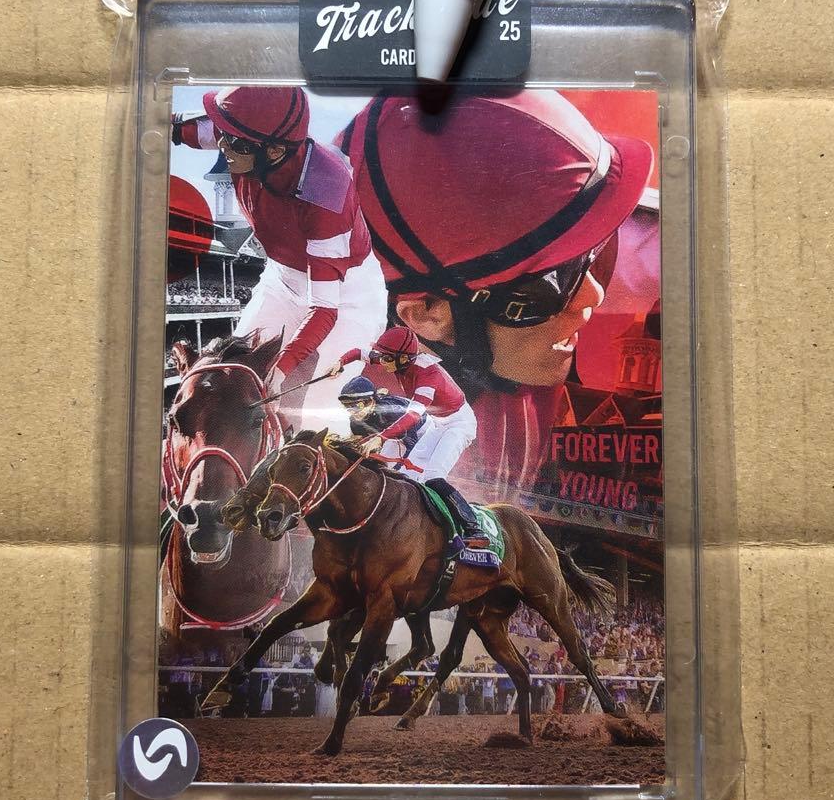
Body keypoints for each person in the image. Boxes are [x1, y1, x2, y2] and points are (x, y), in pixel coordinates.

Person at [338, 90, 652, 495]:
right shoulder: (379, 444)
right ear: (427, 314)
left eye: (595, 251)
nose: (593, 296)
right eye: (554, 280)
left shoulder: (515, 346)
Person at [173, 86, 386, 430]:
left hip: (347, 295)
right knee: (233, 377)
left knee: (315, 411)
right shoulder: (249, 139)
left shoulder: (326, 193)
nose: (222, 145)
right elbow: (187, 129)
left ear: (273, 151)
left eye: (233, 141)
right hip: (282, 279)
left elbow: (324, 310)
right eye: (223, 134)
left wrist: (282, 368)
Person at [330, 327, 495, 563]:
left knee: (433, 477)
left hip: (459, 424)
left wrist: (381, 437)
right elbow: (359, 352)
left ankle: (471, 529)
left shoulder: (428, 377)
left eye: (386, 358)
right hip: (438, 423)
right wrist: (339, 363)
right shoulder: (397, 359)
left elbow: (412, 416)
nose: (382, 362)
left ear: (404, 358)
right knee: (407, 477)